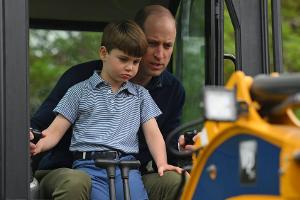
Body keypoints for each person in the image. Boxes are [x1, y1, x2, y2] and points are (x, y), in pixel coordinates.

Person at [30, 5, 186, 200]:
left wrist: (163, 163)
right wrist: (36, 144)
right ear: (103, 53)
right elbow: (53, 131)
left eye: (136, 62)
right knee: (87, 190)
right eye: (123, 59)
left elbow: (155, 134)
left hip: (128, 167)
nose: (130, 68)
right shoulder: (79, 88)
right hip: (88, 166)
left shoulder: (142, 95)